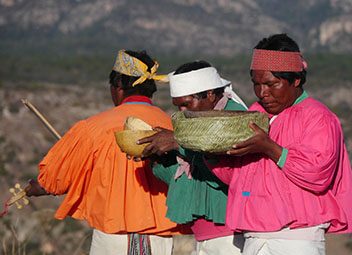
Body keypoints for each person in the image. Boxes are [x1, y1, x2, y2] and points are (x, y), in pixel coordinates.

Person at [26, 50, 190, 255]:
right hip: (162, 237)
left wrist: (36, 186)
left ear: (119, 85)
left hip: (113, 237)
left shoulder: (93, 127)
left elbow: (52, 180)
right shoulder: (174, 128)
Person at [207, 33, 352, 255]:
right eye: (256, 84)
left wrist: (270, 148)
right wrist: (211, 155)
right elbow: (238, 177)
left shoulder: (318, 117)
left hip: (296, 240)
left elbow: (318, 175)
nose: (262, 93)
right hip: (253, 236)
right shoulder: (254, 115)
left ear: (296, 80)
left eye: (271, 84)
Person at [138, 60, 247, 254]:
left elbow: (227, 169)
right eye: (178, 106)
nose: (182, 112)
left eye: (187, 104)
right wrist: (158, 158)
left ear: (211, 94)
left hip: (231, 237)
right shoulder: (195, 124)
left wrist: (178, 142)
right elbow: (191, 176)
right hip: (206, 236)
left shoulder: (235, 117)